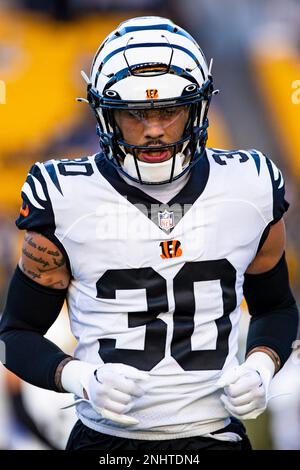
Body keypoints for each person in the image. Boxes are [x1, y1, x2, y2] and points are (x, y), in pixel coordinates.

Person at [0, 16, 298, 451]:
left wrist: (261, 365)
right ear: (105, 114)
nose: (154, 129)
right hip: (105, 442)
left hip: (216, 437)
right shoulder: (64, 197)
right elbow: (15, 336)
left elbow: (277, 308)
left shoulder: (249, 187)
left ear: (197, 108)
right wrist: (81, 378)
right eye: (135, 113)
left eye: (169, 110)